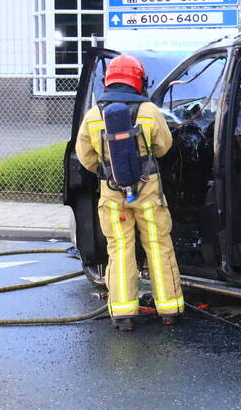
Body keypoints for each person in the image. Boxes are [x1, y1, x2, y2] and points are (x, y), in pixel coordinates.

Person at [74, 54, 184, 331]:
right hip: (147, 192)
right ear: (139, 80)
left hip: (112, 195)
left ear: (107, 80)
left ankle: (123, 314)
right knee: (158, 246)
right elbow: (164, 147)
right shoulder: (149, 111)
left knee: (120, 249)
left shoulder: (93, 115)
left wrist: (108, 169)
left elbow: (85, 157)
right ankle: (170, 310)